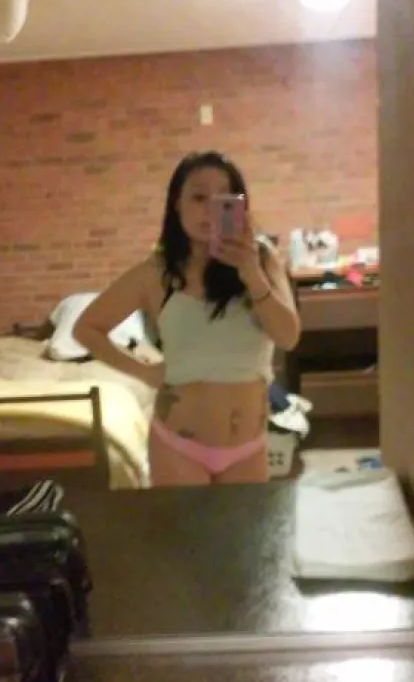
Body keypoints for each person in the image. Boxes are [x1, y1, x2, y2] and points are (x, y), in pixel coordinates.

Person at [74, 151, 300, 487]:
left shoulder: (262, 260)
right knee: (185, 525)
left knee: (244, 525)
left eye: (222, 199)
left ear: (239, 206)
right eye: (198, 197)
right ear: (176, 204)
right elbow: (86, 328)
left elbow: (288, 337)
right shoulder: (157, 272)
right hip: (178, 446)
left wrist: (251, 274)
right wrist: (145, 372)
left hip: (249, 447)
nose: (209, 209)